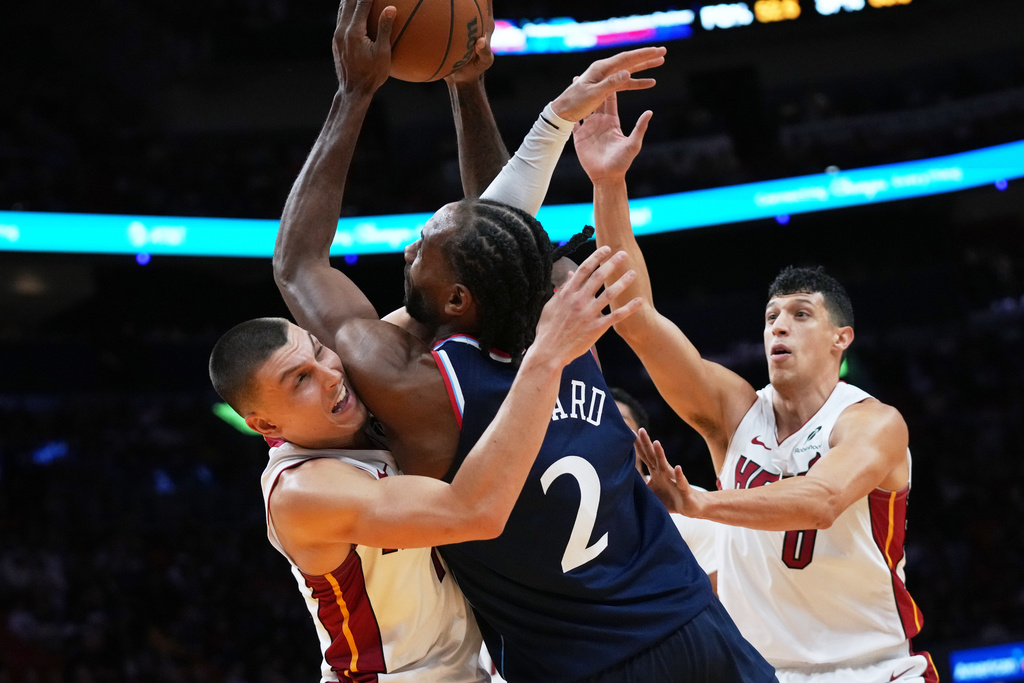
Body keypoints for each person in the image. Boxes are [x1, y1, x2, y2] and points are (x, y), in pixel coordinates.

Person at [273, 1, 776, 681]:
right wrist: (471, 86)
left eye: (423, 242)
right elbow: (499, 233)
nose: (411, 238)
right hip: (696, 627)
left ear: (456, 301)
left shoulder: (421, 389)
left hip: (583, 666)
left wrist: (354, 92)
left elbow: (299, 263)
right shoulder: (569, 317)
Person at [575, 92, 938, 682]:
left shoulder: (871, 423)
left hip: (874, 669)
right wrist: (609, 182)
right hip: (763, 673)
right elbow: (635, 314)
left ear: (840, 338)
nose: (780, 327)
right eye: (771, 316)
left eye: (800, 315)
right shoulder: (732, 412)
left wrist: (699, 503)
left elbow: (820, 502)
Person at [210, 248, 637, 682]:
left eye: (319, 352)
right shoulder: (303, 491)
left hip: (477, 667)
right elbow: (474, 510)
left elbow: (455, 292)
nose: (330, 375)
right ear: (264, 423)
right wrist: (546, 358)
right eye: (300, 379)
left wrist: (441, 255)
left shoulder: (352, 394)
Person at [612, 386, 720, 593]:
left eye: (620, 423)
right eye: (599, 425)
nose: (609, 432)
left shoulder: (691, 504)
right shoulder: (570, 511)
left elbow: (720, 599)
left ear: (643, 440)